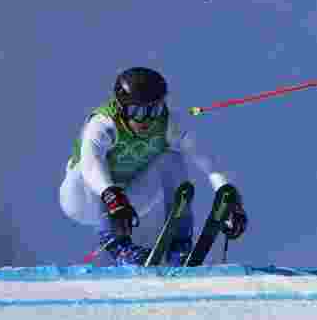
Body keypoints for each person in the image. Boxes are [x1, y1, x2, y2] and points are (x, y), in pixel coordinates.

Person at [59, 67, 248, 265]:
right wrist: (111, 195)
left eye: (154, 110)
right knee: (85, 168)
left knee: (171, 157)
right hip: (81, 199)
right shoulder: (103, 124)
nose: (147, 120)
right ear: (122, 108)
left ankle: (179, 245)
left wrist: (230, 197)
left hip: (129, 202)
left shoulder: (169, 123)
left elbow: (210, 162)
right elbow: (91, 164)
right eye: (137, 112)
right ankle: (118, 246)